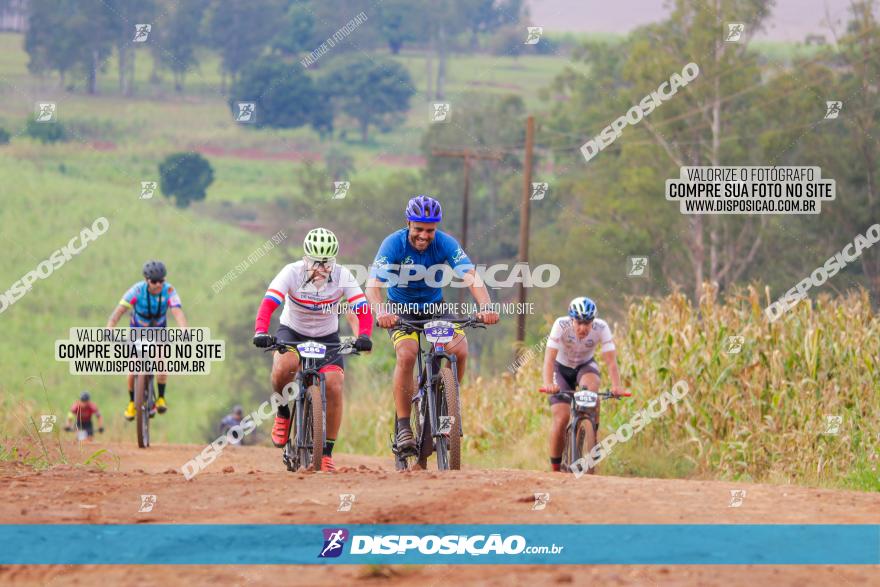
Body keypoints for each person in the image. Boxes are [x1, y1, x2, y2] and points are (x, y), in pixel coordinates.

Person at [364, 195, 499, 454]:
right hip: (400, 311)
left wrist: (486, 306)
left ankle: (449, 409)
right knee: (407, 354)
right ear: (408, 223)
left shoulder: (446, 243)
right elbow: (372, 286)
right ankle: (404, 425)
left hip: (435, 308)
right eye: (418, 229)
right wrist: (381, 311)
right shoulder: (393, 244)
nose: (424, 236)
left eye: (430, 230)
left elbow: (470, 276)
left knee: (459, 349)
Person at [252, 228, 373, 472]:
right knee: (283, 366)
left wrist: (364, 336)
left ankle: (326, 452)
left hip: (327, 337)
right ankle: (284, 412)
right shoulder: (291, 272)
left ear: (334, 261)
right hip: (293, 331)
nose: (320, 269)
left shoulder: (343, 275)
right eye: (315, 263)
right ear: (305, 259)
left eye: (326, 264)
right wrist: (261, 331)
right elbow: (269, 303)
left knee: (334, 385)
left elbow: (362, 308)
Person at [541, 296, 625, 472]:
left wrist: (617, 386)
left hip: (585, 366)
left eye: (587, 323)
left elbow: (611, 362)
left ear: (593, 321)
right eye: (579, 322)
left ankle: (589, 424)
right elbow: (549, 359)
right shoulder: (560, 325)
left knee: (592, 388)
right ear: (571, 319)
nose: (583, 328)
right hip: (561, 369)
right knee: (561, 417)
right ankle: (555, 468)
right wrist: (548, 383)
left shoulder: (602, 328)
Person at [107, 260, 188, 420]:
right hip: (137, 331)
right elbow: (119, 311)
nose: (158, 284)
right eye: (154, 281)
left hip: (159, 331)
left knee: (161, 362)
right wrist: (110, 327)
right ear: (146, 280)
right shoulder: (136, 291)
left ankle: (161, 398)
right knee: (132, 368)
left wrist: (184, 329)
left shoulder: (169, 290)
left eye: (161, 280)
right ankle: (131, 402)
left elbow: (177, 312)